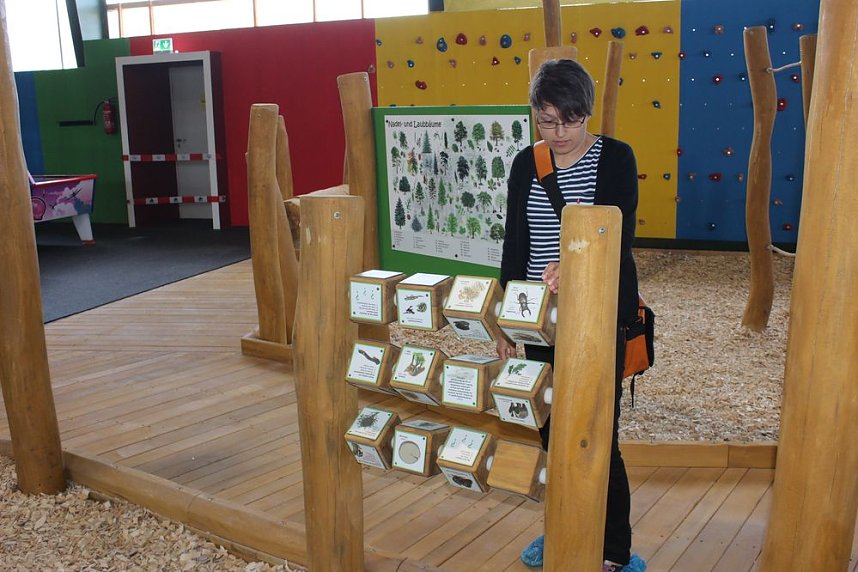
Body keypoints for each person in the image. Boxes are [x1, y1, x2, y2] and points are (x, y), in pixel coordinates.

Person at [496, 59, 645, 572]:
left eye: (570, 120)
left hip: (597, 322)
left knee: (598, 433)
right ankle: (562, 529)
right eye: (546, 120)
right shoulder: (525, 164)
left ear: (587, 113)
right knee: (549, 430)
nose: (559, 133)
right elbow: (515, 244)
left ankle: (612, 550)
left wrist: (577, 256)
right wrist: (503, 318)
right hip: (537, 318)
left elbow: (618, 234)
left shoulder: (616, 159)